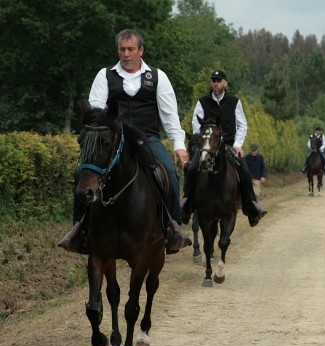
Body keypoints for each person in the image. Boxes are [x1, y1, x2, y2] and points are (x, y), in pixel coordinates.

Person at [58, 29, 190, 255]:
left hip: (146, 139)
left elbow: (169, 116)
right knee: (82, 173)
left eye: (130, 49)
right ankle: (79, 230)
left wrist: (179, 145)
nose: (126, 54)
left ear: (141, 50)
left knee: (169, 171)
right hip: (112, 140)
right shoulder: (104, 75)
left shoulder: (158, 77)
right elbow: (96, 111)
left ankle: (173, 228)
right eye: (122, 49)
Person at [182, 70, 267, 227]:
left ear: (225, 83)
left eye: (219, 80)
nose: (215, 83)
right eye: (213, 80)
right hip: (207, 146)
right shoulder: (202, 101)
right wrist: (204, 141)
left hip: (228, 146)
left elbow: (242, 125)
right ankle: (186, 205)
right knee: (192, 168)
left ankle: (252, 207)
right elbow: (196, 124)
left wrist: (237, 145)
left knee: (245, 171)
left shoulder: (234, 102)